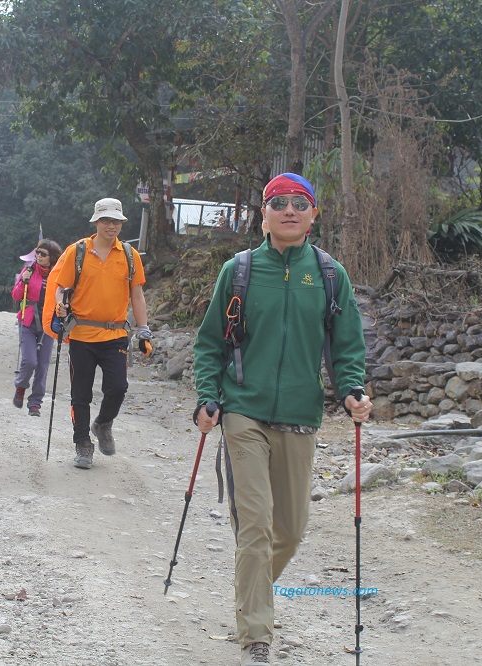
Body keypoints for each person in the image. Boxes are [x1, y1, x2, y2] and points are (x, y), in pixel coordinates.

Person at [191, 173, 372, 665]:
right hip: (243, 411)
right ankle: (256, 636)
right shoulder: (241, 270)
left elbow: (349, 346)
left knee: (289, 530)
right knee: (254, 525)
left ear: (314, 215)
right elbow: (210, 344)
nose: (289, 210)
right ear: (264, 215)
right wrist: (209, 396)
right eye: (279, 203)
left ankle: (252, 593)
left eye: (300, 203)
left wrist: (352, 389)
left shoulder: (331, 275)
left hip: (300, 413)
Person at [44, 197, 151, 470]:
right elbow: (61, 286)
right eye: (106, 220)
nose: (111, 225)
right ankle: (82, 444)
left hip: (115, 335)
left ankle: (103, 424)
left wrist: (143, 330)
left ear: (121, 223)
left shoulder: (129, 255)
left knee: (118, 387)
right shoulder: (77, 252)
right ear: (96, 222)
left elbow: (137, 295)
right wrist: (60, 303)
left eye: (116, 221)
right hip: (81, 335)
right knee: (81, 394)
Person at [11, 239, 63, 416]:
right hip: (28, 320)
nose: (38, 256)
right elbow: (16, 295)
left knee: (42, 365)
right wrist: (22, 281)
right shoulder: (29, 270)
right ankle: (21, 386)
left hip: (49, 323)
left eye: (43, 254)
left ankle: (35, 403)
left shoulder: (59, 274)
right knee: (30, 361)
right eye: (37, 253)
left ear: (52, 257)